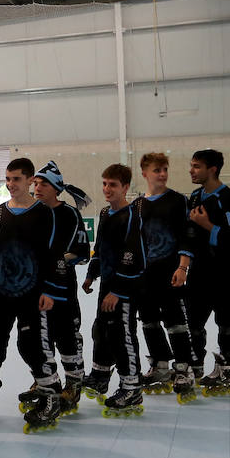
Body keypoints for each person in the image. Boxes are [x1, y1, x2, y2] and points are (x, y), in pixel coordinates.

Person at [0, 158, 62, 432]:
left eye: (16, 179)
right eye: (7, 179)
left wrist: (50, 290)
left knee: (32, 345)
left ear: (30, 180)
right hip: (0, 294)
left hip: (32, 295)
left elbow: (54, 256)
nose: (10, 185)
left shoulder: (44, 214)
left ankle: (50, 395)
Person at [132, 153, 199, 402]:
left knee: (176, 322)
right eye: (157, 170)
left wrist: (182, 267)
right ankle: (160, 365)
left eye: (165, 169)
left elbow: (186, 235)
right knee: (148, 321)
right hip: (145, 275)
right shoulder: (138, 205)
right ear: (145, 174)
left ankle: (183, 369)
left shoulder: (177, 201)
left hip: (170, 272)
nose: (162, 174)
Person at [26, 161, 91, 414]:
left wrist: (57, 260)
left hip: (62, 287)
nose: (37, 187)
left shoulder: (69, 214)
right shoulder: (31, 211)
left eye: (43, 183)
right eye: (36, 183)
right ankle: (46, 381)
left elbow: (81, 251)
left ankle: (74, 383)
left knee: (67, 333)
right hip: (35, 286)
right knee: (41, 335)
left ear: (56, 189)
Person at [82, 164, 147, 417]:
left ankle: (132, 387)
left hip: (126, 287)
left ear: (126, 187)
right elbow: (99, 249)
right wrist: (91, 274)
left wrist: (117, 291)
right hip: (107, 284)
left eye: (113, 185)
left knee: (123, 334)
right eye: (105, 184)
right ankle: (99, 375)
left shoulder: (132, 216)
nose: (107, 189)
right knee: (102, 329)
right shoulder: (105, 213)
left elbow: (133, 257)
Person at [183, 149, 230, 396]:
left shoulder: (229, 198)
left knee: (228, 324)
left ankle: (225, 369)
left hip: (228, 272)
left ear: (212, 170)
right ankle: (194, 366)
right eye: (191, 165)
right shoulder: (196, 195)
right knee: (192, 323)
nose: (191, 170)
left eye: (196, 166)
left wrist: (207, 225)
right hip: (200, 271)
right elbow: (188, 234)